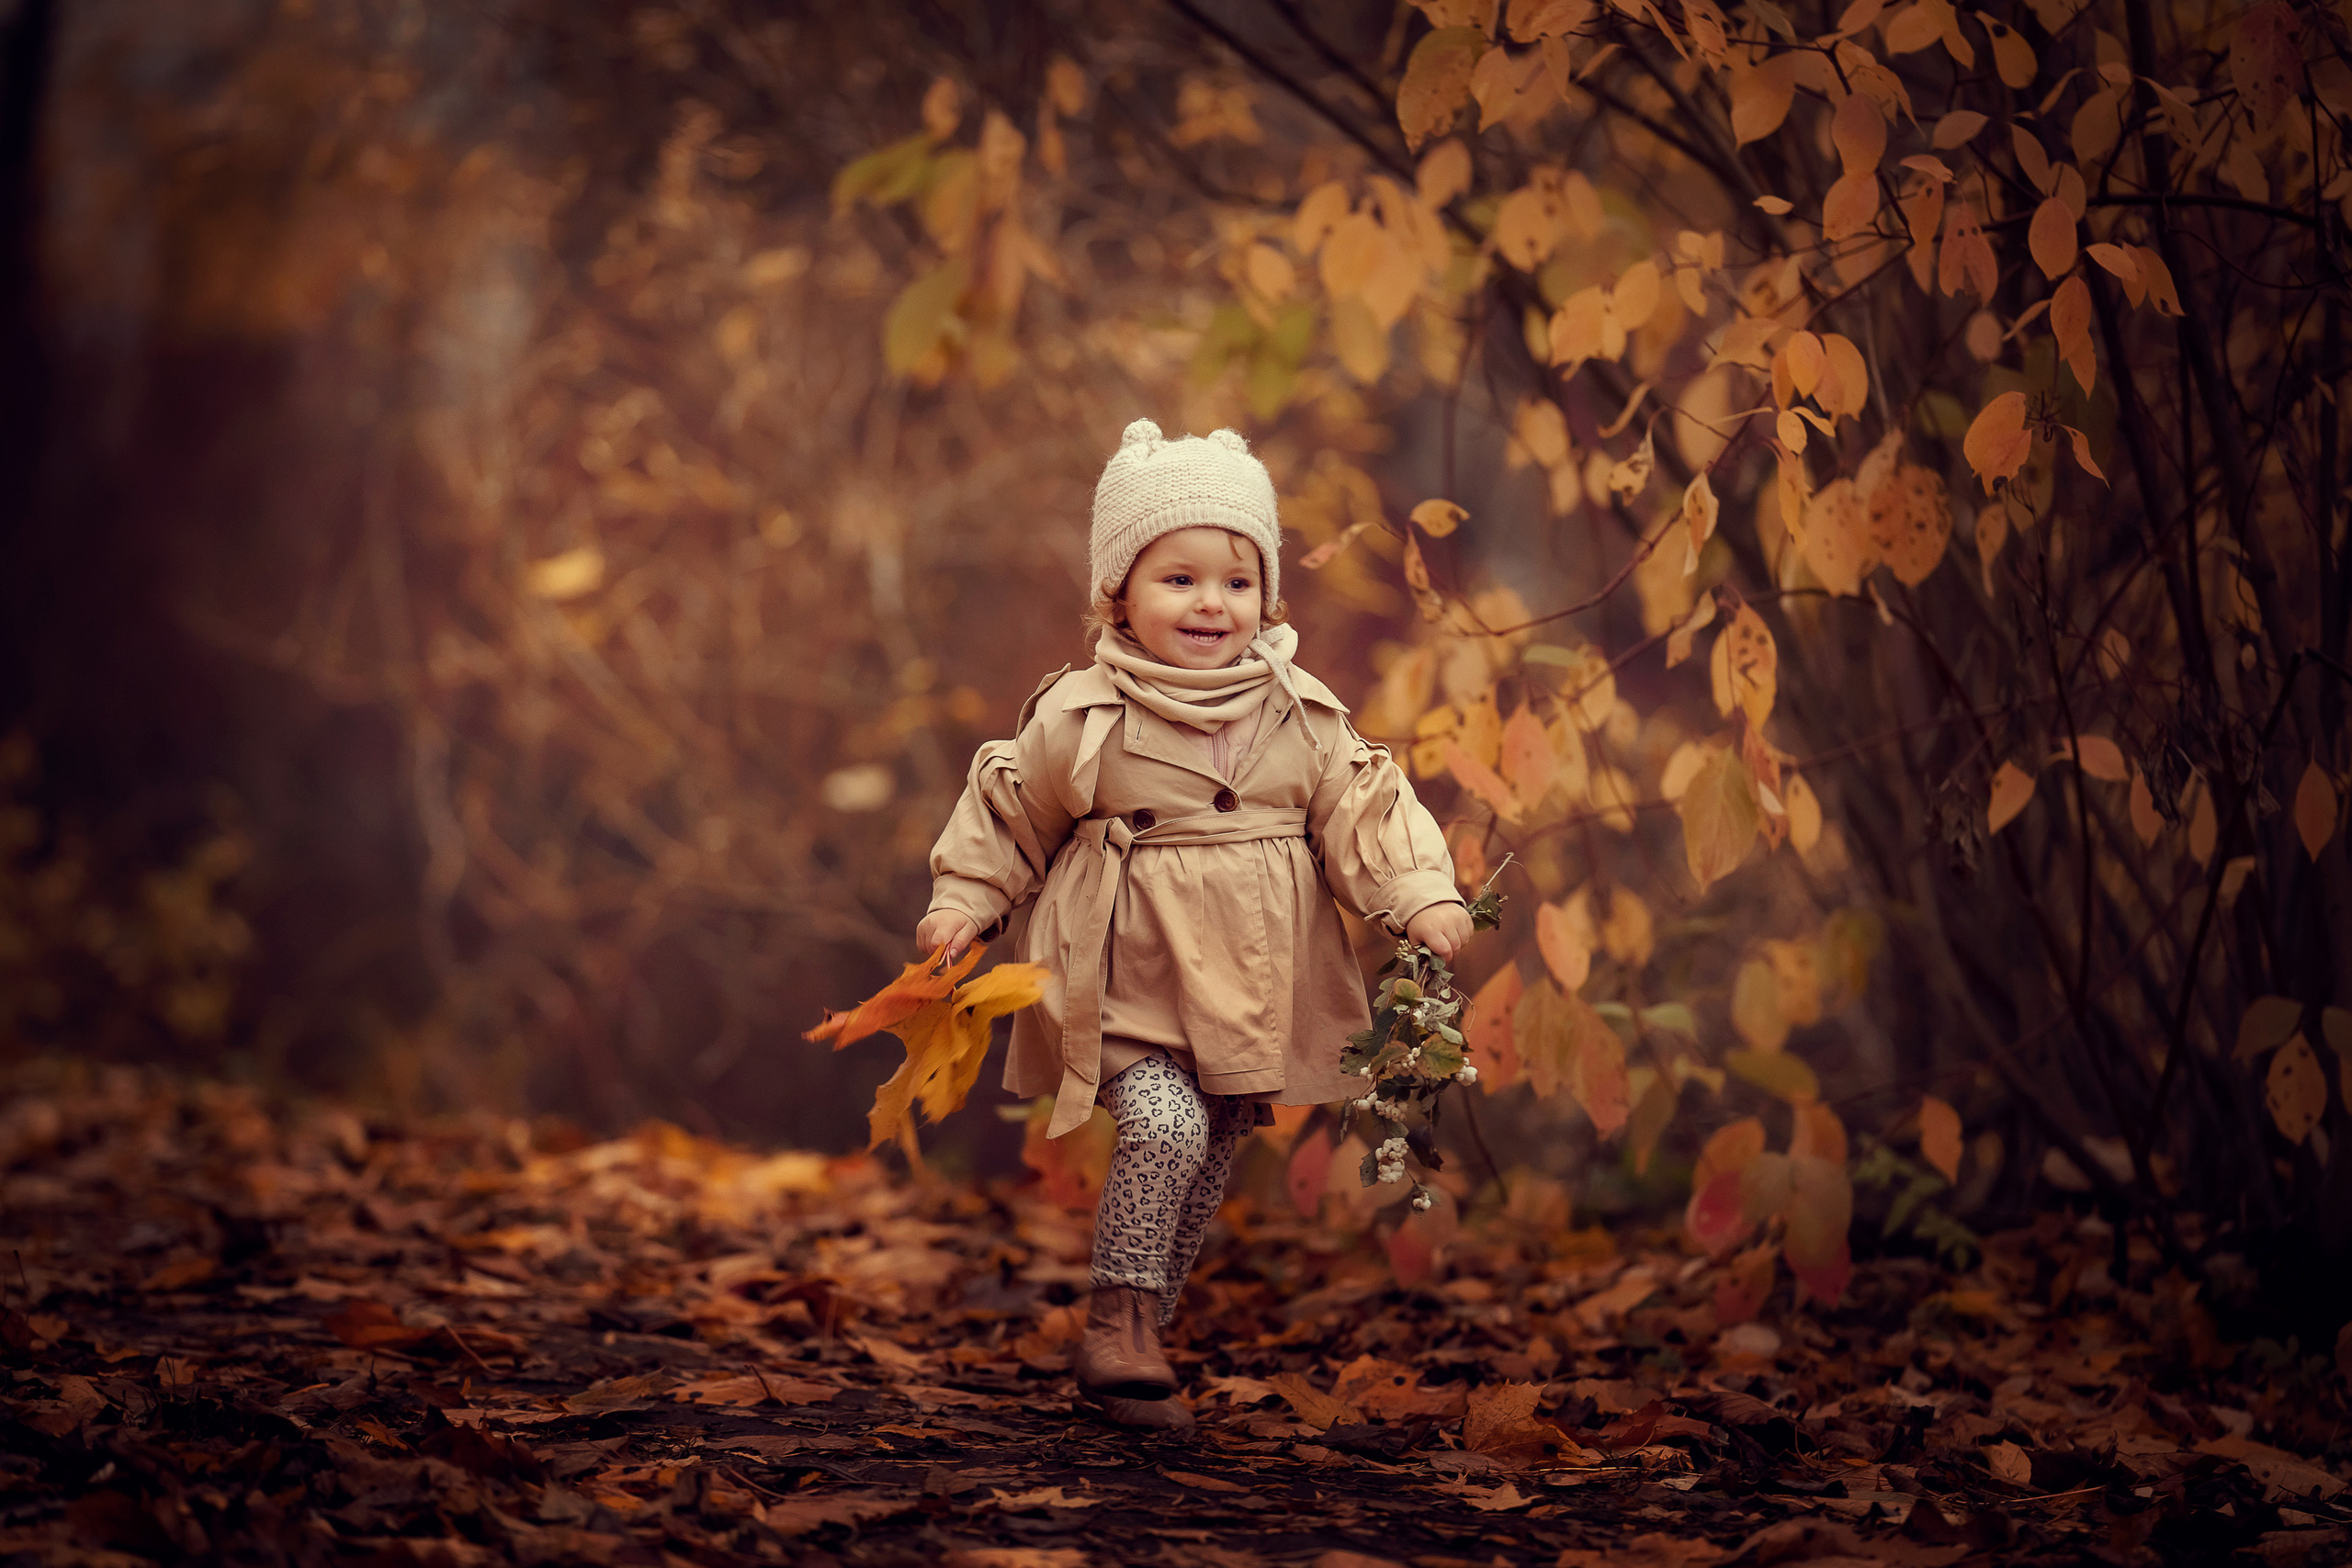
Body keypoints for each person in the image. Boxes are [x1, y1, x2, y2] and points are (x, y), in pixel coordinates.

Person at [916, 418, 1470, 1432]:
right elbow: (1012, 814)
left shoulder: (1298, 712)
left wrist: (1418, 893)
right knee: (1164, 1126)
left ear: (1266, 595)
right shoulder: (1086, 714)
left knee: (1206, 1153)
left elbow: (1360, 810)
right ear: (1117, 592)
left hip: (1249, 983)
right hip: (1123, 974)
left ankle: (1138, 1347)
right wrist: (966, 901)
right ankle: (1117, 1322)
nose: (1212, 602)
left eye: (1235, 579)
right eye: (1178, 578)